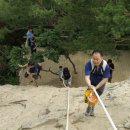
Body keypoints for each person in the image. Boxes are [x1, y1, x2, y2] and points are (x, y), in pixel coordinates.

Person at [85, 49, 110, 116]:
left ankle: (90, 109)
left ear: (101, 58)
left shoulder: (105, 66)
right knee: (88, 96)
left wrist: (96, 88)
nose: (95, 61)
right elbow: (87, 76)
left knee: (94, 96)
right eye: (94, 59)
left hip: (100, 84)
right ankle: (90, 108)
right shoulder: (89, 63)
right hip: (91, 83)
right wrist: (90, 85)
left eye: (97, 59)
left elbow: (105, 79)